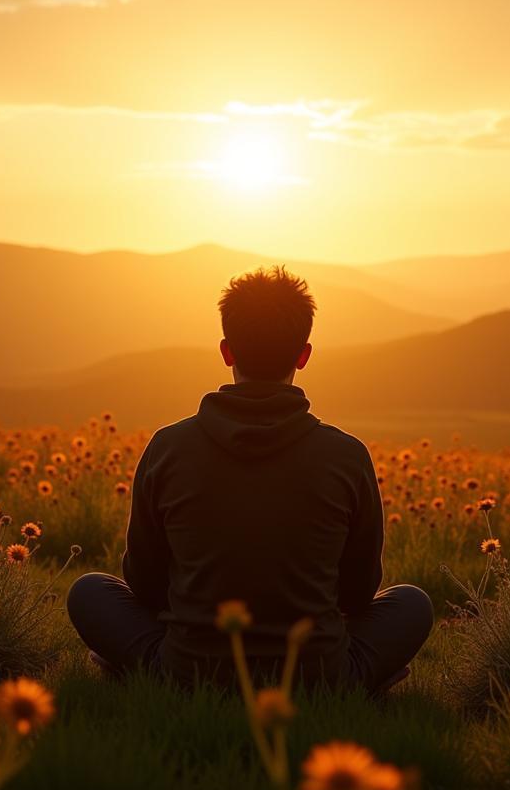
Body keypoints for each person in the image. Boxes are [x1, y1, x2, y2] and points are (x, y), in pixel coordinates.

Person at [66, 266, 434, 691]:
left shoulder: (168, 447)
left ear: (226, 351)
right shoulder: (347, 456)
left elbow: (145, 585)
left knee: (89, 592)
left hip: (190, 670)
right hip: (315, 674)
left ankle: (148, 668)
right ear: (304, 355)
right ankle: (355, 679)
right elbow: (358, 594)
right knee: (412, 603)